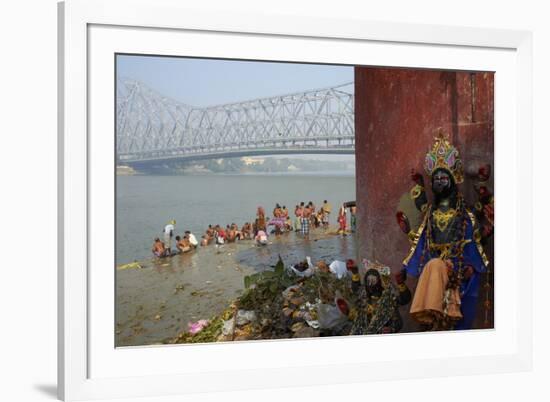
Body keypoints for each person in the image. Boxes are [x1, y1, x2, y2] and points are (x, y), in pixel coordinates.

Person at [396, 132, 491, 330]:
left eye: (443, 177)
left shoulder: (465, 213)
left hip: (460, 269)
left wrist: (471, 266)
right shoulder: (430, 212)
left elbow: (474, 240)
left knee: (460, 320)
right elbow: (422, 241)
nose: (439, 181)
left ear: (452, 180)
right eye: (436, 178)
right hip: (435, 269)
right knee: (435, 319)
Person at [350, 262, 412, 335]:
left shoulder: (387, 298)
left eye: (373, 281)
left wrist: (391, 329)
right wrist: (355, 273)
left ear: (379, 282)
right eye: (368, 281)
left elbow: (404, 300)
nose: (371, 285)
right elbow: (356, 289)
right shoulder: (363, 294)